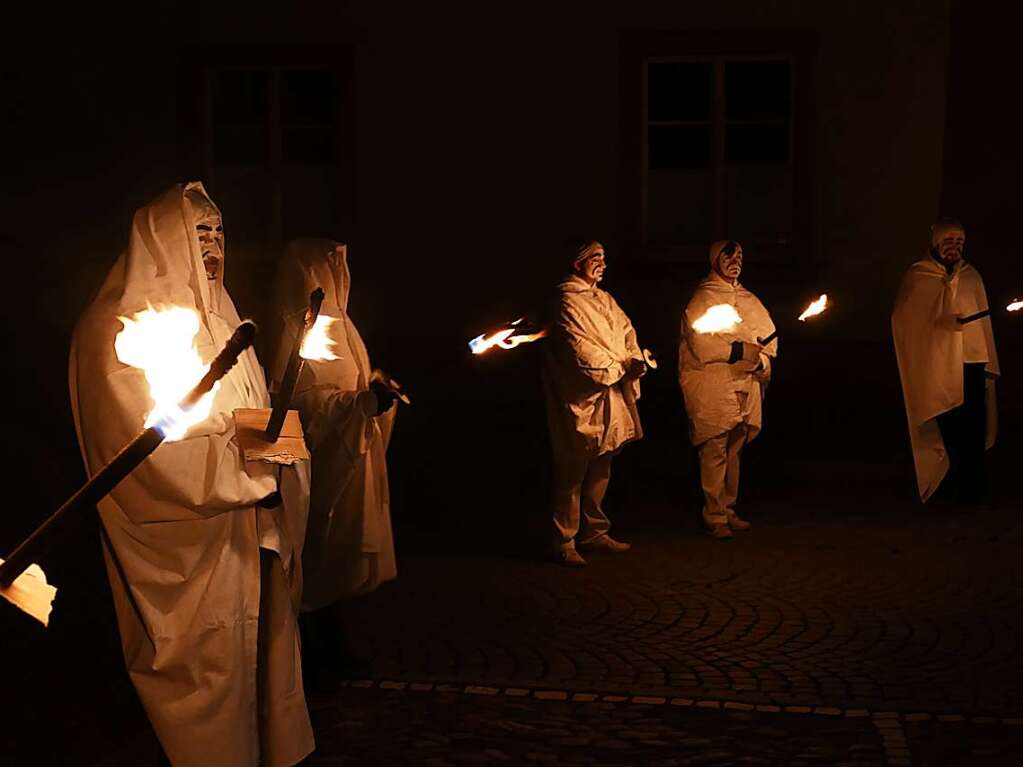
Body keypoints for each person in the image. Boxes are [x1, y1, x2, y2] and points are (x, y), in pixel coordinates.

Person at [70, 182, 314, 767]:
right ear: (161, 239)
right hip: (183, 547)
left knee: (256, 666)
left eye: (219, 232)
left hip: (247, 538)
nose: (212, 245)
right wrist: (251, 472)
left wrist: (279, 453)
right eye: (197, 232)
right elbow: (143, 453)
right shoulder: (121, 328)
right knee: (203, 681)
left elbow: (251, 411)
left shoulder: (225, 319)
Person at [270, 239, 398, 684]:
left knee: (340, 554)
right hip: (322, 466)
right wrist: (356, 405)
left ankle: (333, 641)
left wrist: (375, 395)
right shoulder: (300, 335)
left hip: (352, 458)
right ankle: (310, 649)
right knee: (317, 550)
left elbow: (352, 383)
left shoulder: (343, 325)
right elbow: (298, 405)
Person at [542, 241, 645, 567]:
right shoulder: (565, 302)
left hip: (610, 394)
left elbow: (628, 332)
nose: (601, 263)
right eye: (594, 258)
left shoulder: (605, 299)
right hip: (581, 395)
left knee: (603, 461)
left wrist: (634, 358)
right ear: (577, 263)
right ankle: (565, 539)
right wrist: (618, 368)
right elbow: (579, 348)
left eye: (603, 257)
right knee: (574, 467)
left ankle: (595, 531)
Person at [892, 217, 999, 505]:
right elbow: (905, 320)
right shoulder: (919, 276)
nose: (954, 247)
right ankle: (945, 490)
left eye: (959, 242)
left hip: (970, 365)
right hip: (937, 367)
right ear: (936, 243)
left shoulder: (971, 277)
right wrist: (939, 324)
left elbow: (981, 324)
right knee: (946, 427)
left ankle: (972, 491)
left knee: (972, 429)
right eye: (949, 241)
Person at [679, 240, 777, 540]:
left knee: (735, 447)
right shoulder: (703, 298)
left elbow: (769, 339)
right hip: (716, 383)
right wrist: (738, 350)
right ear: (715, 260)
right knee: (715, 447)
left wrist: (760, 360)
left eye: (740, 256)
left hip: (744, 383)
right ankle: (714, 514)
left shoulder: (748, 298)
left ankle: (728, 507)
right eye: (729, 255)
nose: (736, 260)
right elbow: (700, 343)